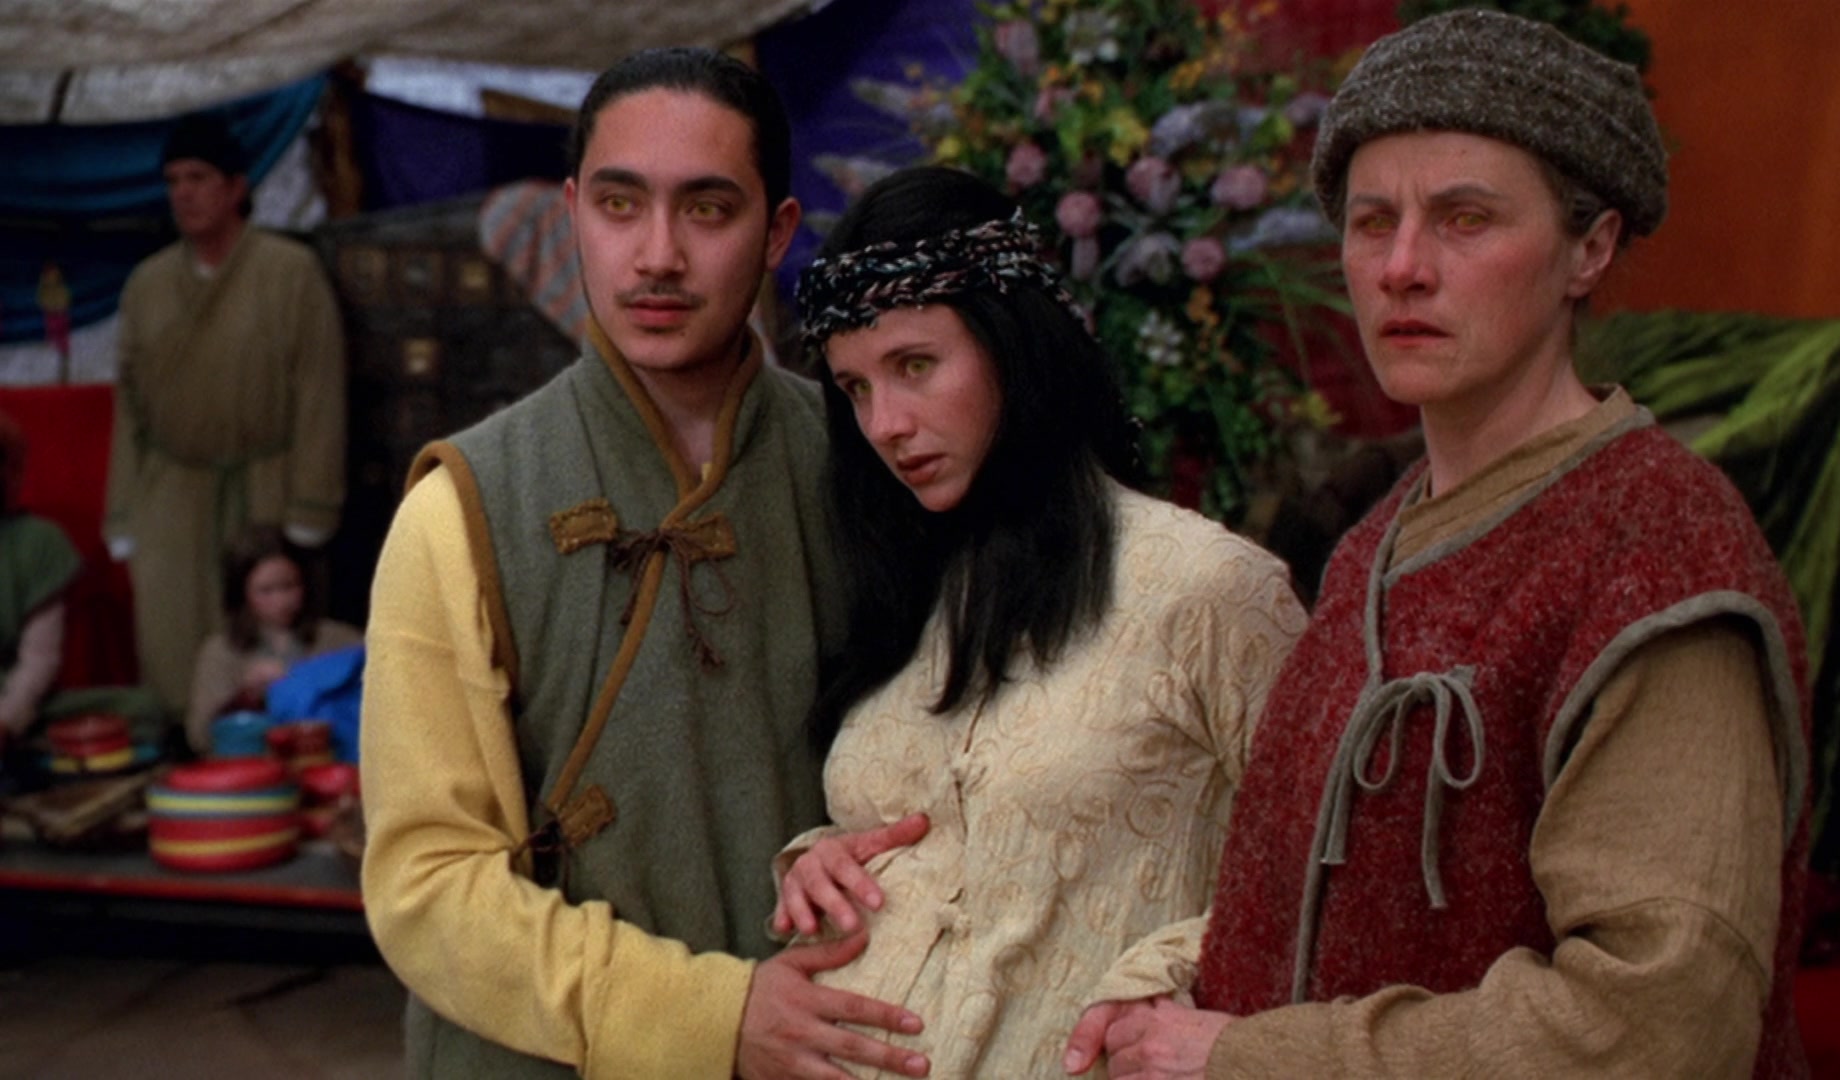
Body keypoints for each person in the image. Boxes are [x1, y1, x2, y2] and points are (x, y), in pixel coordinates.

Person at [1067, 11, 1812, 1079]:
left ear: (1590, 248)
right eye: (1373, 222)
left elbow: (1658, 1029)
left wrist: (1253, 1059)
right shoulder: (1375, 541)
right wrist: (1177, 994)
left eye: (1465, 219)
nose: (1403, 267)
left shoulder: (1655, 562)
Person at [358, 48, 927, 1079]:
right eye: (620, 205)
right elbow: (426, 888)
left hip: (831, 1041)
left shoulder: (866, 467)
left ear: (777, 233)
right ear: (573, 212)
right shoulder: (464, 508)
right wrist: (712, 1016)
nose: (657, 256)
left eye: (707, 210)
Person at [774, 165, 1307, 1078]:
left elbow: (1333, 878)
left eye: (915, 366)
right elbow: (949, 844)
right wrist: (818, 863)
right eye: (855, 388)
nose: (886, 424)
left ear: (1011, 345)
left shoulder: (1208, 588)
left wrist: (1168, 970)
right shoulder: (908, 588)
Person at [105, 111, 347, 715]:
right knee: (171, 635)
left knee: (267, 635)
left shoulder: (289, 273)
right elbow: (129, 409)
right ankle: (180, 743)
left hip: (264, 482)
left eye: (198, 177)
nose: (183, 193)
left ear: (236, 186)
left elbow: (318, 391)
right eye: (173, 180)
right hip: (171, 491)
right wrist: (124, 512)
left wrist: (310, 506)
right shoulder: (147, 285)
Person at [0, 411, 168, 775]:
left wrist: (6, 721)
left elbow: (39, 659)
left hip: (19, 702)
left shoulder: (37, 542)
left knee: (145, 711)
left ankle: (36, 754)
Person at [185, 526, 360, 755]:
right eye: (266, 591)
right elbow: (200, 738)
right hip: (255, 769)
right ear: (242, 593)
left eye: (289, 586)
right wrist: (246, 697)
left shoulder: (339, 639)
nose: (282, 601)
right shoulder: (221, 652)